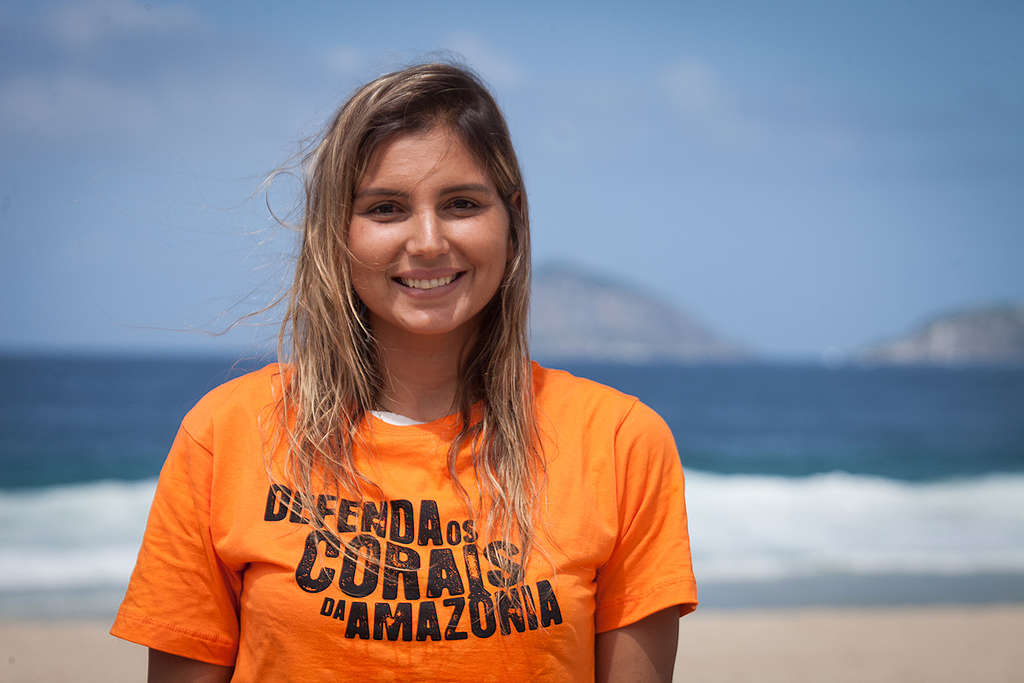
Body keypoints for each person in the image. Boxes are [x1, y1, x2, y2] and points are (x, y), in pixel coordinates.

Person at [111, 62, 697, 682]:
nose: (427, 241)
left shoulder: (619, 440)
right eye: (386, 208)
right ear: (336, 230)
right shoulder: (229, 433)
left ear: (513, 219)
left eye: (461, 204)